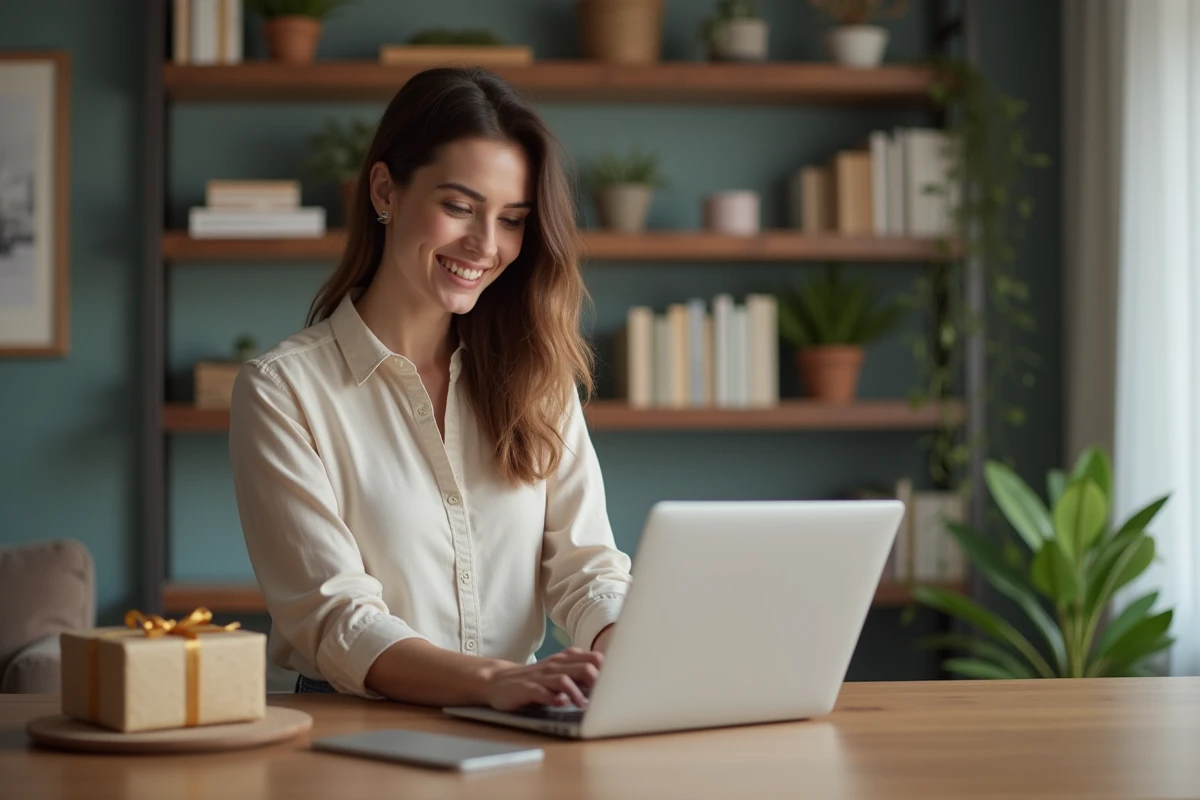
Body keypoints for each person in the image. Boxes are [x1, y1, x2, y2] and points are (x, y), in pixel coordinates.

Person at [228, 67, 633, 712]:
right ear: (385, 189)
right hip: (353, 727)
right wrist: (493, 683)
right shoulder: (283, 391)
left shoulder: (539, 375)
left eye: (513, 219)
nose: (486, 245)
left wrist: (618, 650)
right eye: (459, 207)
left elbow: (586, 567)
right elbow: (336, 619)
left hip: (522, 716)